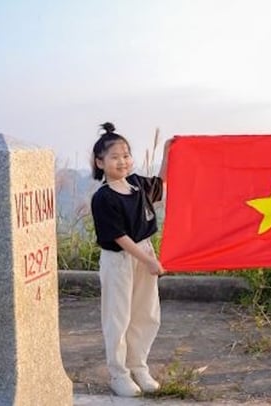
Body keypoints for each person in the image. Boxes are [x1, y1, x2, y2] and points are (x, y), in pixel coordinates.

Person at [90, 122, 166, 397]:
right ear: (100, 162)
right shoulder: (103, 197)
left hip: (144, 252)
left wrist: (170, 149)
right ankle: (119, 373)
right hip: (119, 259)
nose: (122, 161)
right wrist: (147, 261)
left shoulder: (136, 185)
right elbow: (119, 237)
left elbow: (161, 183)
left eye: (126, 155)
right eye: (114, 156)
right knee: (118, 317)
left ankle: (139, 366)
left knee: (146, 313)